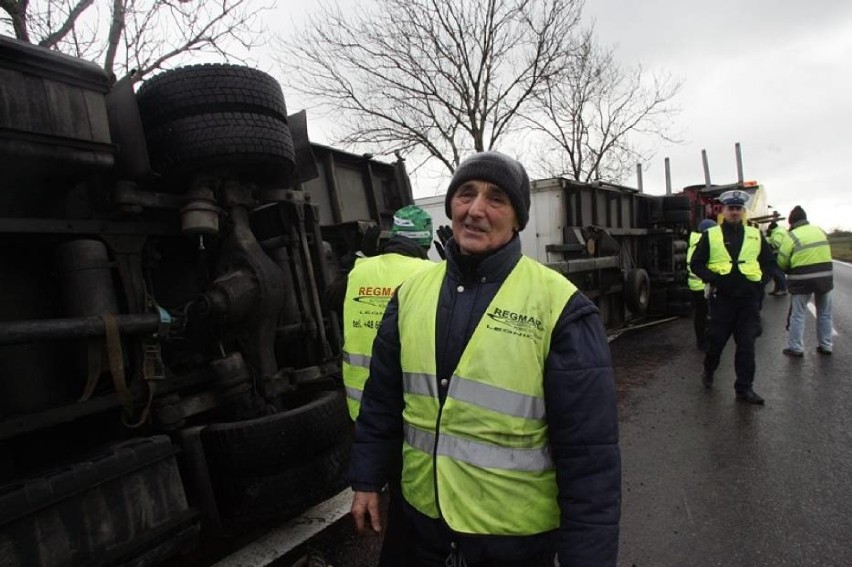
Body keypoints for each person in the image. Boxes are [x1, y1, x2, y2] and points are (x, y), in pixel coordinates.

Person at [348, 151, 621, 567]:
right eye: (465, 194)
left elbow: (589, 456)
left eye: (496, 198)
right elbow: (382, 403)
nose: (475, 210)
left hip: (511, 544)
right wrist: (367, 479)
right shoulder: (410, 295)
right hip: (418, 530)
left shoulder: (561, 307)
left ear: (518, 219)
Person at [328, 204, 434, 567]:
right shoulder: (432, 275)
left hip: (361, 409)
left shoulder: (360, 271)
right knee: (413, 502)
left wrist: (350, 262)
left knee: (388, 484)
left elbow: (330, 299)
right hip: (410, 410)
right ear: (427, 240)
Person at [689, 189, 775, 404]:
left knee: (746, 346)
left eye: (738, 209)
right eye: (731, 209)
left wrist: (761, 282)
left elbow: (769, 262)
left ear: (743, 211)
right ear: (723, 211)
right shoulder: (711, 235)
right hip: (722, 301)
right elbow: (696, 263)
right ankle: (709, 370)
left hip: (748, 301)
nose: (735, 212)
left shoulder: (756, 235)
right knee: (716, 343)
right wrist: (713, 279)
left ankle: (744, 389)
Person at [777, 205, 833, 357]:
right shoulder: (819, 231)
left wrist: (786, 270)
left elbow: (782, 261)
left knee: (798, 314)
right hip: (825, 277)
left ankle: (796, 348)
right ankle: (826, 345)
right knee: (825, 313)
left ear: (791, 222)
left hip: (802, 279)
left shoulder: (792, 236)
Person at [687, 218, 717, 350]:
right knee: (706, 316)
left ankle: (702, 341)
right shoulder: (705, 244)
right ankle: (704, 342)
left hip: (695, 284)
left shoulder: (694, 243)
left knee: (700, 315)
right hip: (704, 285)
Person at [765, 221, 789, 295]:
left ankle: (783, 289)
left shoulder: (778, 232)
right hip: (779, 254)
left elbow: (776, 244)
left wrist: (767, 247)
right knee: (775, 273)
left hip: (778, 255)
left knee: (777, 272)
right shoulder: (780, 231)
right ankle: (777, 289)